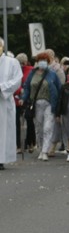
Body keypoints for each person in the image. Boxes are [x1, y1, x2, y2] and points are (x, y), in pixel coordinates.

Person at [21, 52, 63, 161]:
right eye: (40, 60)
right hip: (36, 104)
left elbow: (59, 89)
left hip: (49, 104)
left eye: (44, 60)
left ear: (48, 62)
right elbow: (27, 88)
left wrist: (59, 105)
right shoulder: (32, 73)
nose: (42, 62)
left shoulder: (52, 74)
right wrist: (23, 98)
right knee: (39, 128)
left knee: (47, 127)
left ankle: (45, 151)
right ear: (37, 62)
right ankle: (40, 148)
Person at [0, 39, 23, 170]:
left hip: (4, 102)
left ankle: (1, 159)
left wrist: (2, 88)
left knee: (3, 131)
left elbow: (17, 80)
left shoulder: (12, 62)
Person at [13, 53, 31, 154]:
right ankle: (18, 145)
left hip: (24, 99)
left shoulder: (29, 70)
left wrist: (22, 91)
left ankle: (27, 143)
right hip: (16, 98)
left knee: (25, 121)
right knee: (17, 123)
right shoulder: (15, 70)